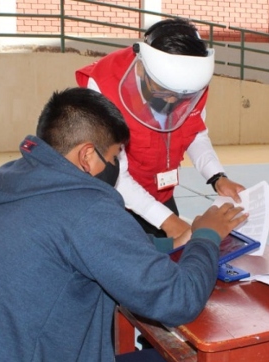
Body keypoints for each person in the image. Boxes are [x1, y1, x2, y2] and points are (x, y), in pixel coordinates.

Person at [0, 88, 247, 362]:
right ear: (87, 156)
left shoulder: (12, 177)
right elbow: (178, 300)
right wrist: (205, 235)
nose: (115, 167)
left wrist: (161, 246)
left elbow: (70, 245)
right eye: (113, 158)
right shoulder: (84, 206)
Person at [76, 18, 246, 241]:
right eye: (163, 92)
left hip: (160, 195)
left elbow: (195, 132)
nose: (174, 100)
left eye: (182, 95)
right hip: (115, 201)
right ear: (140, 69)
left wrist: (217, 176)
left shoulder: (191, 82)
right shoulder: (104, 87)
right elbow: (114, 173)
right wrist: (168, 222)